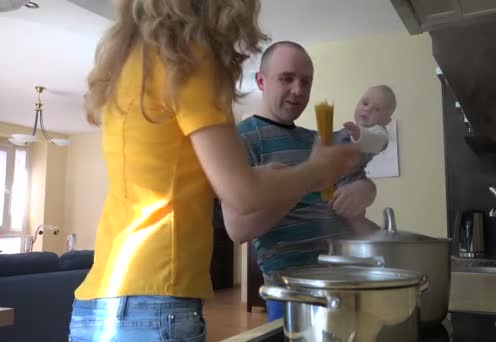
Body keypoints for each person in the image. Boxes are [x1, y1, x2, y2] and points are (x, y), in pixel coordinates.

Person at [68, 2, 359, 341]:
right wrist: (317, 170)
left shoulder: (133, 63)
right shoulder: (185, 60)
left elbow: (183, 177)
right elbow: (243, 196)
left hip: (98, 303)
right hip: (155, 299)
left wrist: (269, 178)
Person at [221, 41, 378, 321]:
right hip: (290, 293)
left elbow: (356, 187)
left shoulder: (317, 139)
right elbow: (237, 229)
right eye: (287, 78)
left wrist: (365, 190)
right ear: (261, 80)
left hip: (341, 282)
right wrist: (306, 180)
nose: (298, 90)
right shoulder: (241, 139)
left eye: (306, 82)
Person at [333, 84, 397, 229]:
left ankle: (378, 240)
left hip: (350, 179)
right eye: (365, 103)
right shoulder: (344, 131)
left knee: (351, 216)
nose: (367, 109)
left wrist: (358, 134)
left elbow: (373, 141)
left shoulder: (380, 133)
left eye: (377, 109)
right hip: (335, 178)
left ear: (386, 121)